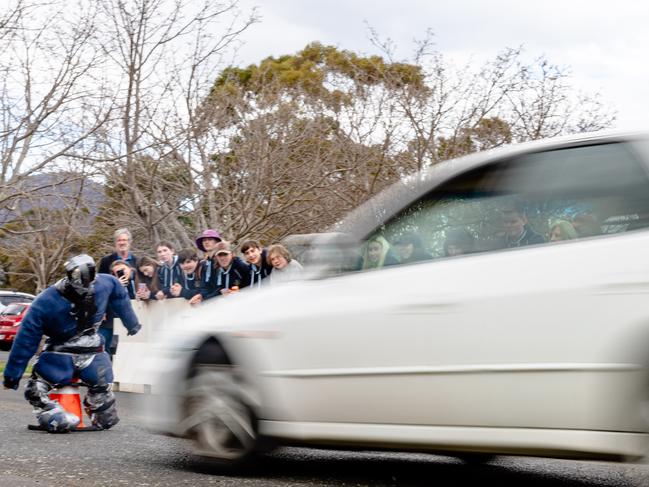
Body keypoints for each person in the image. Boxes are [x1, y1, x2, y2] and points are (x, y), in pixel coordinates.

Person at [2, 254, 141, 432]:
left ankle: (59, 414)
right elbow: (120, 296)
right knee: (101, 395)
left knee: (35, 389)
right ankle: (91, 412)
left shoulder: (45, 301)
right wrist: (132, 323)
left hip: (66, 358)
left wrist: (12, 377)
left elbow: (26, 340)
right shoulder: (105, 284)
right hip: (78, 357)